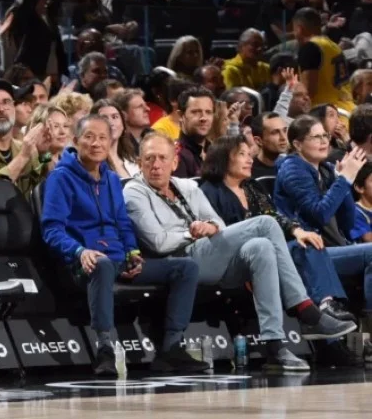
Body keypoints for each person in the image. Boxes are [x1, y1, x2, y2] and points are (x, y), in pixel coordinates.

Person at [124, 132, 356, 372]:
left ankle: (274, 346)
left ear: (174, 162)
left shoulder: (187, 186)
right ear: (139, 162)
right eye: (149, 158)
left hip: (211, 256)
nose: (156, 164)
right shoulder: (134, 191)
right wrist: (192, 234)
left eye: (162, 158)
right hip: (179, 261)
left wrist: (210, 227)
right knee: (265, 224)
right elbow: (158, 243)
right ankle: (306, 311)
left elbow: (219, 225)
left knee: (261, 247)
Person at [41, 115, 207, 375]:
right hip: (82, 262)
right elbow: (51, 229)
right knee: (103, 263)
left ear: (110, 143)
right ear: (76, 141)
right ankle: (105, 349)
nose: (96, 143)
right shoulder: (60, 178)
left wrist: (133, 253)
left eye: (102, 138)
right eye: (89, 137)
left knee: (186, 268)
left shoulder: (110, 179)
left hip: (118, 259)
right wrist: (79, 250)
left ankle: (171, 348)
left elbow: (123, 223)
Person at [200, 135, 356, 323]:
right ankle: (317, 318)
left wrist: (297, 230)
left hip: (274, 251)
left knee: (307, 243)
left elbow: (273, 215)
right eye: (242, 154)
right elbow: (220, 236)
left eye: (250, 155)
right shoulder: (209, 191)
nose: (250, 160)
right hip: (238, 258)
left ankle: (327, 305)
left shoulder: (251, 186)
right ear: (223, 158)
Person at [274, 115, 372, 322]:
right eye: (315, 137)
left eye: (325, 135)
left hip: (328, 248)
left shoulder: (326, 169)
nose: (323, 141)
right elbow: (318, 214)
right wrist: (345, 179)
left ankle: (367, 325)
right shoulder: (292, 169)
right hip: (304, 252)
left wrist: (343, 178)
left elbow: (347, 223)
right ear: (298, 144)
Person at [294, 7, 355, 113]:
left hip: (327, 114)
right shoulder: (334, 46)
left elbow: (308, 92)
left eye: (294, 30)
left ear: (299, 29)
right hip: (348, 109)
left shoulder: (310, 47)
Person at [174, 86, 217, 178]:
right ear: (181, 115)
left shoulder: (217, 151)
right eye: (196, 112)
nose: (203, 118)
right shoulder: (175, 155)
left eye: (208, 112)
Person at [90, 99, 138, 177]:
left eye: (115, 117)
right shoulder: (93, 164)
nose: (111, 123)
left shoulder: (132, 159)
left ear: (123, 124)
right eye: (104, 118)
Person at [250, 112, 288, 178]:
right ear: (258, 140)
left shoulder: (289, 167)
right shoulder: (248, 172)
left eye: (284, 130)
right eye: (275, 133)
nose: (283, 137)